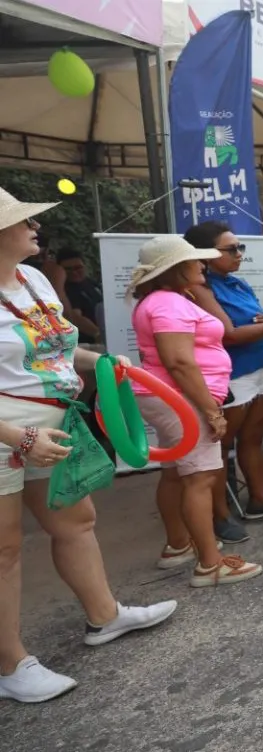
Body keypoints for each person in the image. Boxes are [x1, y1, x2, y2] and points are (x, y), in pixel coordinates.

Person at [0, 188, 177, 703]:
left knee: (75, 521)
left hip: (55, 424)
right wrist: (18, 437)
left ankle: (105, 616)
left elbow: (60, 346)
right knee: (5, 548)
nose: (35, 227)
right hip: (9, 430)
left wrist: (103, 361)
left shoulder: (33, 279)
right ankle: (12, 664)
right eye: (22, 220)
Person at [129, 235, 263, 587]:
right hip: (180, 398)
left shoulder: (164, 300)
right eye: (194, 260)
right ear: (174, 268)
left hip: (170, 397)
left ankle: (178, 545)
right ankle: (210, 563)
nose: (202, 264)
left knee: (177, 472)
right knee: (200, 477)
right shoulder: (169, 304)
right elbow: (179, 362)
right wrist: (210, 410)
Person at [184, 222, 263, 520]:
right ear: (206, 255)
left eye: (241, 247)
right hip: (234, 373)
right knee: (221, 446)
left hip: (262, 365)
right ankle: (221, 516)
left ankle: (259, 500)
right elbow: (230, 334)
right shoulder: (200, 288)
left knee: (253, 438)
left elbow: (249, 324)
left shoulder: (236, 282)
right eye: (232, 249)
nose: (239, 254)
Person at [56, 248, 102, 343]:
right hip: (86, 343)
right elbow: (75, 318)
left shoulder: (91, 283)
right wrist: (98, 334)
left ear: (84, 266)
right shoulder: (66, 289)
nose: (74, 272)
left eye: (78, 267)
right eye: (67, 269)